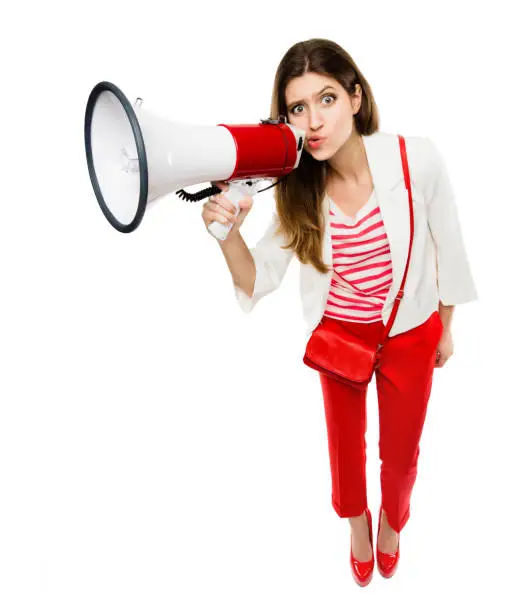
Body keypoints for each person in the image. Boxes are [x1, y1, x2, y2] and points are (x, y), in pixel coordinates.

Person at [201, 38, 477, 587]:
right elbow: (256, 279)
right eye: (297, 109)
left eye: (326, 99)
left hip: (410, 331)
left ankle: (393, 522)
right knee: (345, 455)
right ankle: (357, 524)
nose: (314, 120)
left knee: (400, 458)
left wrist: (446, 325)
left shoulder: (414, 158)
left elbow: (448, 241)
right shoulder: (298, 191)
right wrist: (227, 234)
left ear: (355, 97)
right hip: (339, 337)